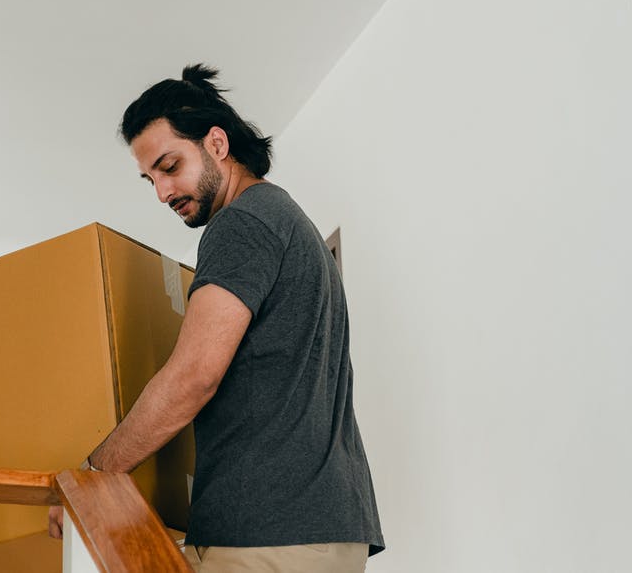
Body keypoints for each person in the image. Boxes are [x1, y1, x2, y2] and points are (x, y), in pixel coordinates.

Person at [49, 64, 384, 572]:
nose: (162, 192)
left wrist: (91, 478)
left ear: (217, 143)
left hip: (268, 532)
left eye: (169, 166)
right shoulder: (290, 224)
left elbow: (194, 376)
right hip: (326, 529)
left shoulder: (241, 224)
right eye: (150, 179)